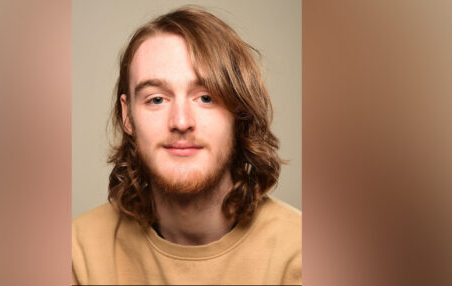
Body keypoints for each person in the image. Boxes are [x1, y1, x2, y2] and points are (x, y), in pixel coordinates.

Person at [72, 6, 301, 285]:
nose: (181, 121)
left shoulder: (301, 254)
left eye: (206, 97)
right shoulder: (76, 252)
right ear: (127, 116)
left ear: (239, 112)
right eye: (157, 99)